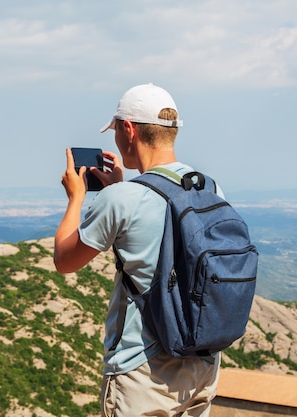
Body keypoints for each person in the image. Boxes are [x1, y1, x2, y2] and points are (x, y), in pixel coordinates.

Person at [54, 83, 220, 417]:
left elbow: (64, 260)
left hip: (144, 371)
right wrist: (121, 188)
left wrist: (76, 198)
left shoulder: (123, 199)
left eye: (116, 130)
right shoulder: (209, 187)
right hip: (202, 365)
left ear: (129, 130)